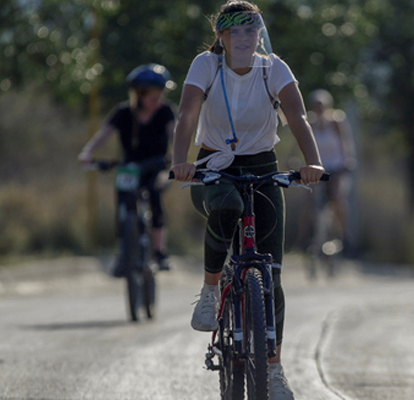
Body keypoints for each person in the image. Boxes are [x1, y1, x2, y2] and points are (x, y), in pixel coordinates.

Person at [170, 2, 324, 398]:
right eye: (233, 32)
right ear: (220, 36)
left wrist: (313, 163)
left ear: (259, 34)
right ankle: (209, 290)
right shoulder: (206, 65)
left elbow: (297, 117)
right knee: (227, 207)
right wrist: (181, 162)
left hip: (262, 166)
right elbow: (187, 114)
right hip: (213, 166)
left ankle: (273, 371)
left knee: (270, 275)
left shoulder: (274, 67)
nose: (242, 38)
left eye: (250, 31)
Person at [78, 63, 175, 272]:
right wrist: (87, 152)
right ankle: (124, 251)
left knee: (156, 193)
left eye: (160, 94)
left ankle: (159, 251)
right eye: (152, 96)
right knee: (122, 200)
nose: (157, 100)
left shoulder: (166, 112)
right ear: (139, 94)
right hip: (130, 168)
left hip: (158, 166)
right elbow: (102, 135)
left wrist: (179, 155)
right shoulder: (123, 112)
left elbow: (174, 136)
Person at [307, 89, 356, 253]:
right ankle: (309, 237)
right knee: (310, 199)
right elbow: (301, 144)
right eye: (316, 105)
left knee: (336, 198)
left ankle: (344, 234)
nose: (319, 109)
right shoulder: (310, 123)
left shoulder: (336, 121)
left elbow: (346, 143)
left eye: (321, 105)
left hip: (336, 167)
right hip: (318, 168)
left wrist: (348, 160)